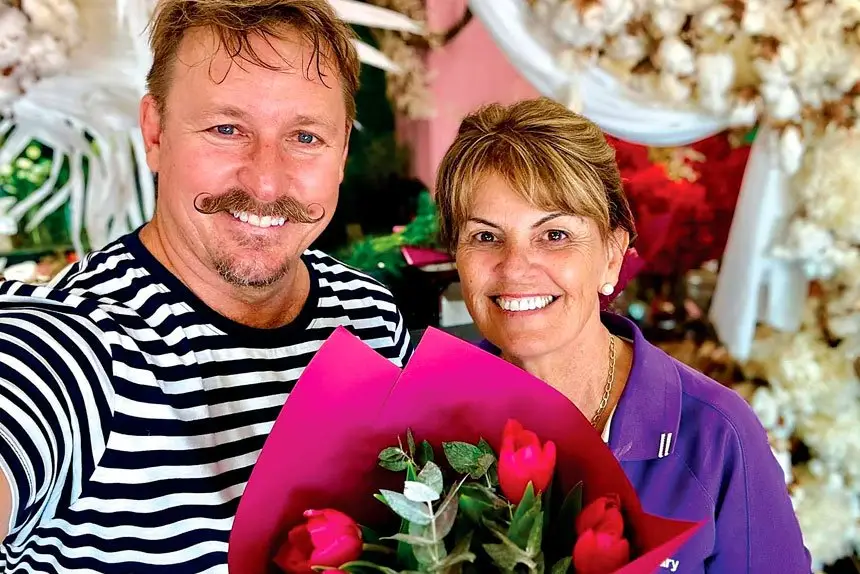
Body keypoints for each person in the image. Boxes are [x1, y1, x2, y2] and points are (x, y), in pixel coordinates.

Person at [0, 1, 411, 571]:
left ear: (341, 151)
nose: (266, 181)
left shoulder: (370, 315)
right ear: (155, 133)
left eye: (307, 137)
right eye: (226, 129)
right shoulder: (78, 344)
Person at [433, 97, 812, 573]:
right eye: (485, 237)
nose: (515, 268)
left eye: (554, 235)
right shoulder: (426, 423)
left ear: (612, 255)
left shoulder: (715, 435)